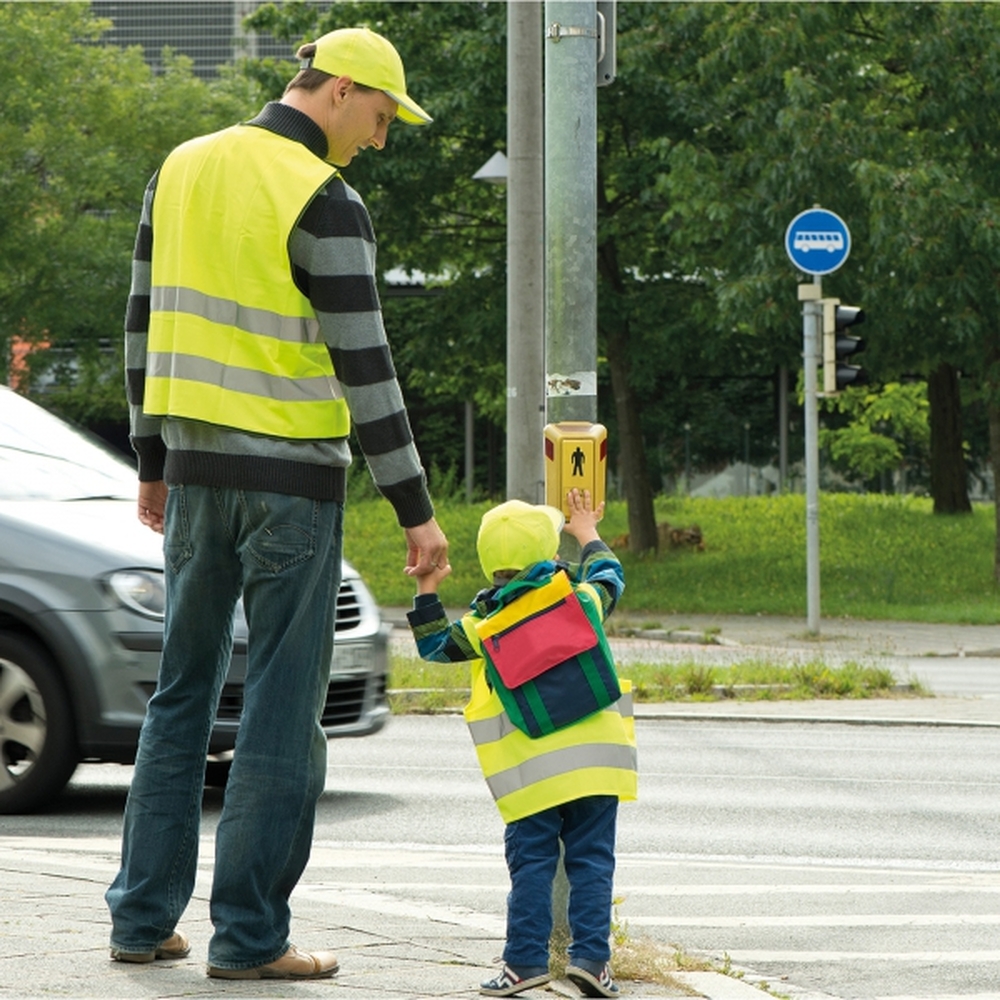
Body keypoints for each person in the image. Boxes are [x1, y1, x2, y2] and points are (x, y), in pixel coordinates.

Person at [105, 26, 448, 980]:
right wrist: (415, 509)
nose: (378, 139)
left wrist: (150, 459)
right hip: (290, 484)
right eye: (379, 117)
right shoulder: (323, 196)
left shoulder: (179, 167)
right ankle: (250, 938)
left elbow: (139, 323)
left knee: (180, 694)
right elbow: (365, 366)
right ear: (337, 90)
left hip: (195, 474)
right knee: (282, 711)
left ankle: (140, 918)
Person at [407, 489, 637, 998]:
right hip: (598, 764)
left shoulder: (483, 627)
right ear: (550, 556)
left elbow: (432, 645)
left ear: (491, 567)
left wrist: (427, 586)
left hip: (530, 774)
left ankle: (524, 963)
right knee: (593, 861)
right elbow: (610, 576)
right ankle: (592, 963)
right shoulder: (581, 602)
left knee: (532, 863)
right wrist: (587, 531)